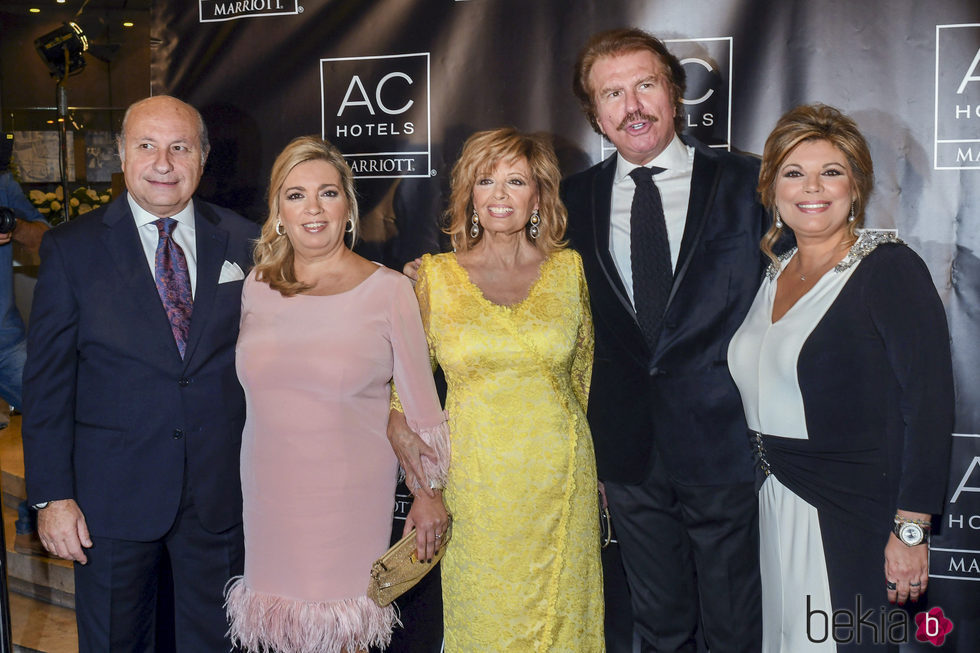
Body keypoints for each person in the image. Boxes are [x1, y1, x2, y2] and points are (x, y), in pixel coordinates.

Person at [22, 95, 259, 651]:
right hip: (110, 501)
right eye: (146, 146)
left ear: (201, 157)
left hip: (219, 496)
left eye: (179, 147)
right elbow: (48, 387)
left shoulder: (249, 241)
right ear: (122, 155)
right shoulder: (71, 249)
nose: (163, 163)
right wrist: (52, 497)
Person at [561, 28, 767, 651]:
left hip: (725, 439)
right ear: (595, 114)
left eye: (645, 85)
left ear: (674, 95)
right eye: (613, 93)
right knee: (659, 628)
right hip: (627, 450)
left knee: (735, 629)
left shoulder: (748, 183)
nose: (633, 107)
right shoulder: (572, 202)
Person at [727, 104, 953, 651]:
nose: (813, 188)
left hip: (854, 515)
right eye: (793, 172)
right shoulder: (776, 271)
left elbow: (928, 404)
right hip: (773, 500)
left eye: (831, 171)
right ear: (773, 189)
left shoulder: (888, 268)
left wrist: (911, 531)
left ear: (856, 186)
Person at [223, 135, 450, 653]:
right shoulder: (256, 285)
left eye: (327, 192)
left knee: (340, 634)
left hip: (348, 500)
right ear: (278, 209)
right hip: (268, 498)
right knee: (282, 635)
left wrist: (428, 494)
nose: (313, 208)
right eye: (296, 194)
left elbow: (421, 407)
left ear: (348, 205)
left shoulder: (389, 289)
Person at [388, 127, 603, 651]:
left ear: (539, 197)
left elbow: (583, 379)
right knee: (484, 624)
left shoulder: (569, 271)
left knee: (564, 625)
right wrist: (426, 490)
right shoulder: (434, 278)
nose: (500, 195)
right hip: (475, 486)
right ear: (469, 196)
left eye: (516, 181)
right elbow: (403, 404)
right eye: (486, 181)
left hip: (561, 481)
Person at [0, 135, 49, 556]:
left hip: (6, 341)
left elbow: (47, 241)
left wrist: (12, 225)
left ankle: (32, 523)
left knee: (53, 415)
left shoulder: (2, 184)